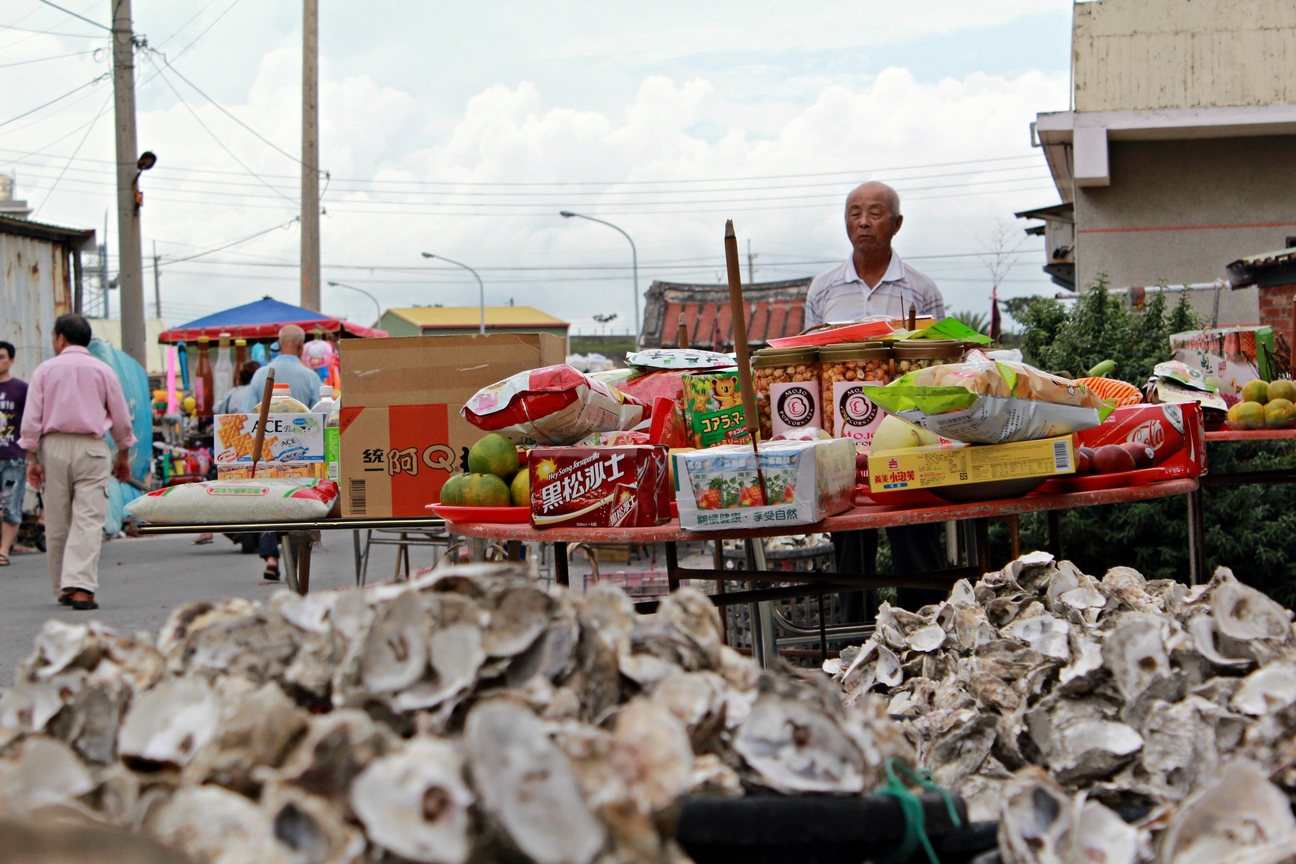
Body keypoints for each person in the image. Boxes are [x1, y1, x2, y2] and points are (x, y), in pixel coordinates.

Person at [805, 181, 947, 614]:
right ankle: (854, 647)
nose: (864, 222)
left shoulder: (922, 291)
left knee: (916, 537)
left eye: (875, 212)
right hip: (843, 444)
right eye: (855, 213)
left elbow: (940, 368)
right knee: (849, 547)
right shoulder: (823, 290)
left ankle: (928, 636)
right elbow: (808, 364)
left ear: (896, 223)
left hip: (908, 439)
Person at [19, 314, 134, 610]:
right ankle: (81, 586)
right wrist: (122, 455)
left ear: (60, 338)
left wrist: (31, 459)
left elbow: (31, 419)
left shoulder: (45, 370)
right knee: (88, 519)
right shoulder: (103, 370)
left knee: (57, 518)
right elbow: (120, 418)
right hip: (91, 447)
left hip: (52, 446)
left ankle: (63, 587)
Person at [241, 325, 325, 411]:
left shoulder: (260, 374)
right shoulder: (311, 377)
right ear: (301, 344)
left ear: (279, 344)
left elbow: (247, 413)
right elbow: (321, 414)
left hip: (267, 424)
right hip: (301, 424)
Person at [0, 341, 29, 566]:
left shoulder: (21, 389)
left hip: (13, 456)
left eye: (1, 357)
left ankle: (3, 551)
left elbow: (30, 422)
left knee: (10, 505)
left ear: (11, 360)